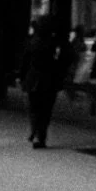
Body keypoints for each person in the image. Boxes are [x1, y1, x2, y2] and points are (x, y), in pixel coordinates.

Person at [21, 17, 71, 148]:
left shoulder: (32, 41)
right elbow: (64, 59)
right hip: (50, 78)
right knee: (46, 109)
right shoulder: (55, 43)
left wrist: (22, 78)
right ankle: (40, 135)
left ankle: (35, 130)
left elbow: (25, 61)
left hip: (34, 78)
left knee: (34, 108)